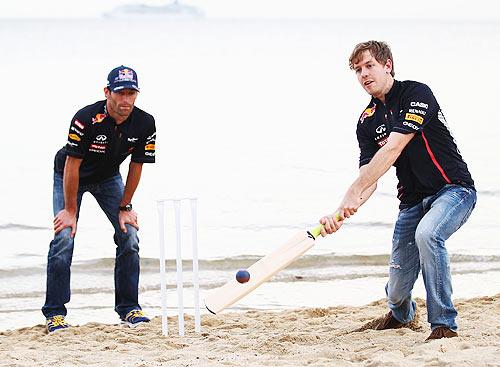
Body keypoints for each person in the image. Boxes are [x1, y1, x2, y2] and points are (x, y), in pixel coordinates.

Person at [319, 41, 476, 341]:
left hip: (454, 190)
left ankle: (444, 325)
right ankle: (403, 314)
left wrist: (354, 190)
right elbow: (370, 178)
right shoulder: (366, 122)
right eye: (357, 70)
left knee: (428, 235)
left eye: (369, 66)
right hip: (412, 204)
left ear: (387, 65)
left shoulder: (417, 93)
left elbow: (393, 147)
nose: (363, 74)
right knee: (398, 287)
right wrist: (341, 211)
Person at [42, 66, 156, 333]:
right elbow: (72, 164)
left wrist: (125, 207)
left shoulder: (145, 122)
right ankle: (55, 314)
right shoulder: (85, 118)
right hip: (71, 175)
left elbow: (137, 165)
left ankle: (129, 308)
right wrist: (70, 210)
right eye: (120, 93)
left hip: (107, 177)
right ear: (107, 92)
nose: (125, 100)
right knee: (64, 236)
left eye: (131, 93)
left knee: (129, 235)